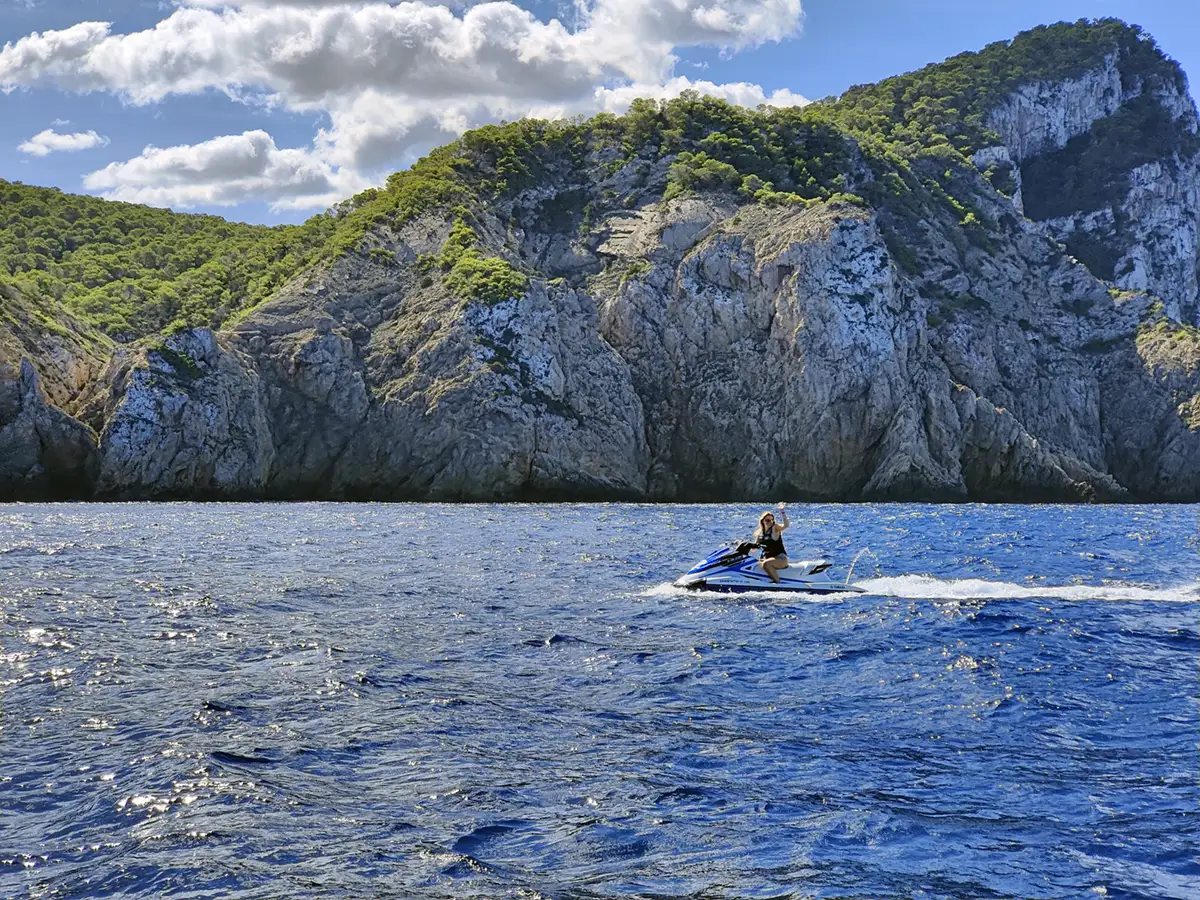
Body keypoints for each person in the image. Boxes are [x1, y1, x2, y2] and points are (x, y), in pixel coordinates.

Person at [754, 504, 789, 584]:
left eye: (771, 520)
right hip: (768, 558)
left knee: (766, 564)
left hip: (781, 558)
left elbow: (786, 525)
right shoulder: (760, 533)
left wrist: (782, 511)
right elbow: (754, 548)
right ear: (762, 521)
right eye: (767, 520)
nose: (770, 522)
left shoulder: (775, 528)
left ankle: (778, 584)